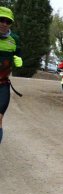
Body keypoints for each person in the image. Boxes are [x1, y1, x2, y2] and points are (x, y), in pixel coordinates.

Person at [0, 6, 21, 144]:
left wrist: (18, 60)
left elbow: (18, 55)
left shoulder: (14, 39)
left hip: (2, 85)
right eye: (1, 20)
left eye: (8, 21)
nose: (4, 24)